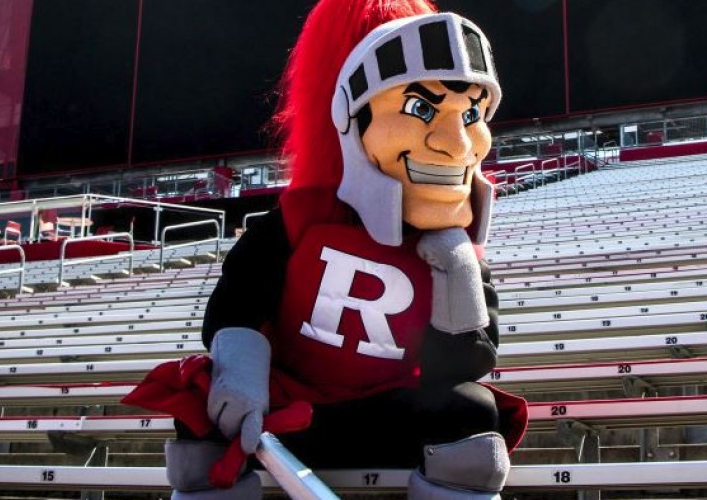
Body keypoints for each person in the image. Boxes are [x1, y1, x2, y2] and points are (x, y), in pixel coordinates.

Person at [153, 1, 528, 498]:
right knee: (202, 407)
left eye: (473, 114)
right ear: (352, 119)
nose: (457, 144)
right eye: (420, 108)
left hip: (392, 408)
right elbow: (238, 302)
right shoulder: (303, 219)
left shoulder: (451, 248)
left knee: (470, 411)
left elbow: (461, 366)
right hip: (291, 408)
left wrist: (457, 268)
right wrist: (242, 374)